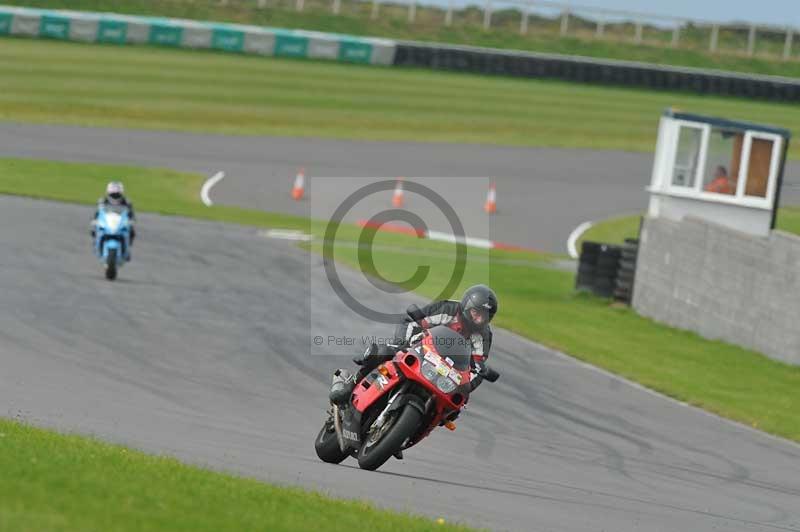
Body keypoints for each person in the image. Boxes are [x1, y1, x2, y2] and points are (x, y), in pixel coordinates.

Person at [329, 284, 498, 405]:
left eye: (483, 316)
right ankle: (350, 383)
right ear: (466, 306)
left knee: (454, 406)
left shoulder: (484, 336)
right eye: (475, 312)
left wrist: (465, 387)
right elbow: (414, 321)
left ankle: (413, 428)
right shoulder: (448, 309)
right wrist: (403, 345)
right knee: (385, 352)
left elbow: (477, 368)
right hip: (420, 348)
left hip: (446, 372)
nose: (478, 319)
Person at [91, 181, 136, 258]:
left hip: (120, 221)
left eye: (117, 194)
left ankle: (127, 248)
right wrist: (95, 219)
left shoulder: (127, 202)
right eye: (113, 194)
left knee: (131, 231)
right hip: (108, 220)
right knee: (95, 230)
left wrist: (131, 220)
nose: (115, 196)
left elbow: (130, 213)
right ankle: (96, 244)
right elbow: (98, 212)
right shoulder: (102, 201)